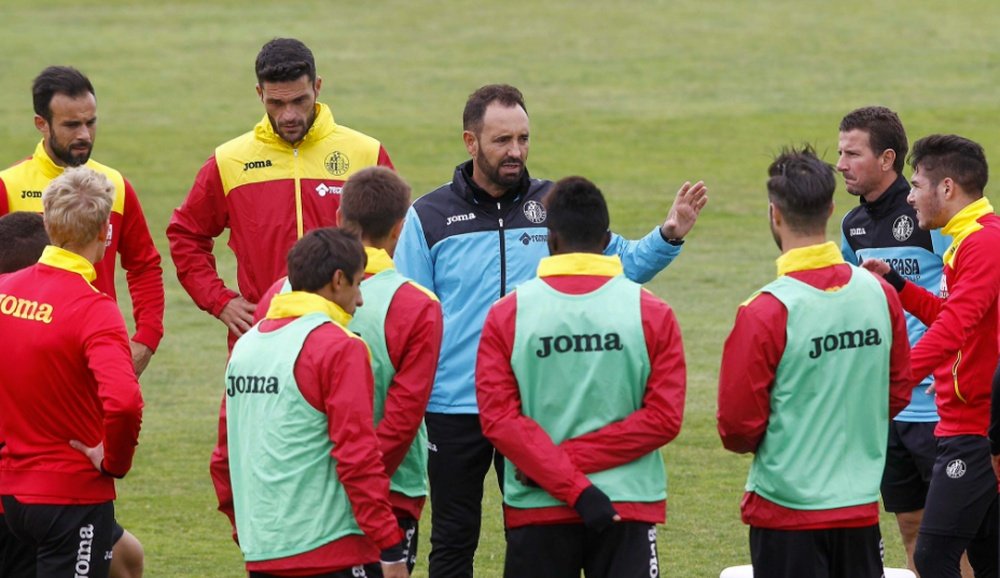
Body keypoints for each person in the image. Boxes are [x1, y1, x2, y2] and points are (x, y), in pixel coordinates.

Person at [393, 83, 707, 577]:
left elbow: (617, 265)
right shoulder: (429, 218)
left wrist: (669, 234)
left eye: (523, 138)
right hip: (453, 404)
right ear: (470, 143)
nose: (515, 151)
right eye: (502, 141)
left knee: (536, 527)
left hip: (533, 409)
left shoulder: (552, 203)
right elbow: (408, 313)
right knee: (454, 539)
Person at [476, 176, 686, 577]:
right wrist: (580, 478)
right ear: (607, 240)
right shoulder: (652, 313)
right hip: (626, 503)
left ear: (549, 239)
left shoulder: (507, 314)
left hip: (539, 505)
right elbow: (663, 419)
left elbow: (499, 421)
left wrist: (558, 467)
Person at [717, 146, 912, 578]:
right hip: (859, 510)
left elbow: (736, 428)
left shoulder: (764, 310)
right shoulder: (880, 294)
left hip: (786, 512)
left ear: (774, 214)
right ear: (829, 208)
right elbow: (898, 390)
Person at [252, 168, 443, 573]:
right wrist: (362, 489)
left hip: (293, 500)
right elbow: (402, 420)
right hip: (387, 495)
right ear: (400, 228)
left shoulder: (278, 294)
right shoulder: (419, 305)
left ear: (339, 217)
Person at [167, 37, 395, 350]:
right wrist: (220, 301)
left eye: (299, 100)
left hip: (351, 336)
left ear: (317, 87)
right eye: (276, 103)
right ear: (259, 93)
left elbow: (398, 239)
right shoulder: (229, 160)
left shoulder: (366, 153)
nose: (288, 115)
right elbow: (186, 235)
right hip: (263, 340)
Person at [211, 227, 408, 578]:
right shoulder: (339, 346)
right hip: (333, 549)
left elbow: (224, 458)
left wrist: (248, 532)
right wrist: (390, 546)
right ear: (337, 280)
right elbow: (357, 456)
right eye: (358, 283)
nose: (360, 299)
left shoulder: (247, 345)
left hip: (263, 550)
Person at [863, 134, 1000, 577]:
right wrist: (900, 288)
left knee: (932, 556)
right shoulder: (972, 239)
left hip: (974, 430)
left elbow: (955, 326)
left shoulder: (982, 243)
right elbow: (956, 316)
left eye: (916, 184)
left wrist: (894, 380)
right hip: (969, 424)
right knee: (987, 558)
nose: (909, 195)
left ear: (946, 188)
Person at [0, 166, 144, 578]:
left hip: (12, 496)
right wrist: (114, 461)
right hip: (71, 499)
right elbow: (124, 403)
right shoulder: (95, 310)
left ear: (47, 222)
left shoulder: (5, 292)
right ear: (105, 232)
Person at [836, 106, 952, 575]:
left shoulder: (930, 215)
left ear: (887, 159)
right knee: (911, 524)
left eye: (852, 153)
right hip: (889, 403)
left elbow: (962, 305)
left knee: (953, 534)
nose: (841, 164)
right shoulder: (852, 227)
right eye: (841, 152)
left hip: (937, 403)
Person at [0, 65, 164, 377]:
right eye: (71, 125)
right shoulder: (7, 187)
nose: (84, 135)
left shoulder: (114, 186)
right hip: (26, 363)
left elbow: (144, 266)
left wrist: (146, 338)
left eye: (91, 123)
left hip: (96, 354)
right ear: (41, 124)